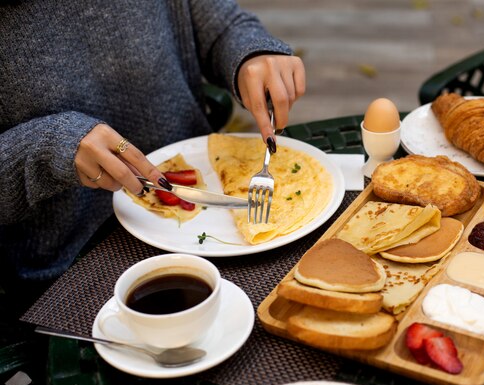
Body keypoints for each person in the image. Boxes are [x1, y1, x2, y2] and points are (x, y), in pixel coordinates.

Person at [0, 0, 305, 289]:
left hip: (211, 229)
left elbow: (221, 26)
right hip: (72, 270)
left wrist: (251, 55)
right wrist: (49, 147)